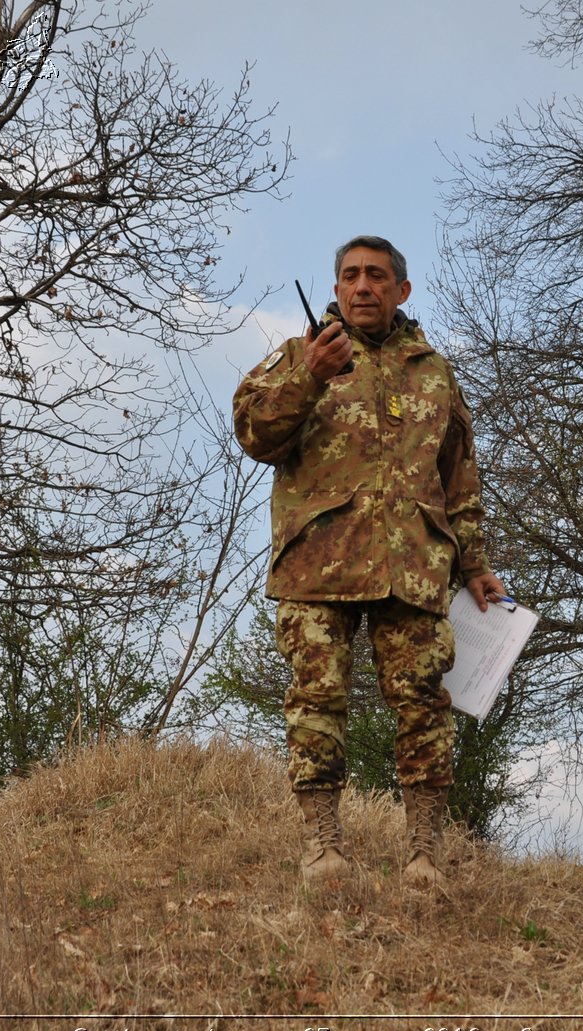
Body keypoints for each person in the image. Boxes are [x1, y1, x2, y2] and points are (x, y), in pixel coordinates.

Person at [232, 235, 507, 888]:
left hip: (412, 568)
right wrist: (308, 377)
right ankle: (323, 848)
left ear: (400, 291)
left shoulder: (434, 371)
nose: (362, 286)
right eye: (350, 275)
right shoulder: (303, 354)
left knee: (423, 708)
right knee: (317, 704)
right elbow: (253, 433)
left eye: (377, 276)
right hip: (318, 566)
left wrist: (474, 563)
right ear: (335, 288)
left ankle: (422, 857)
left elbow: (459, 475)